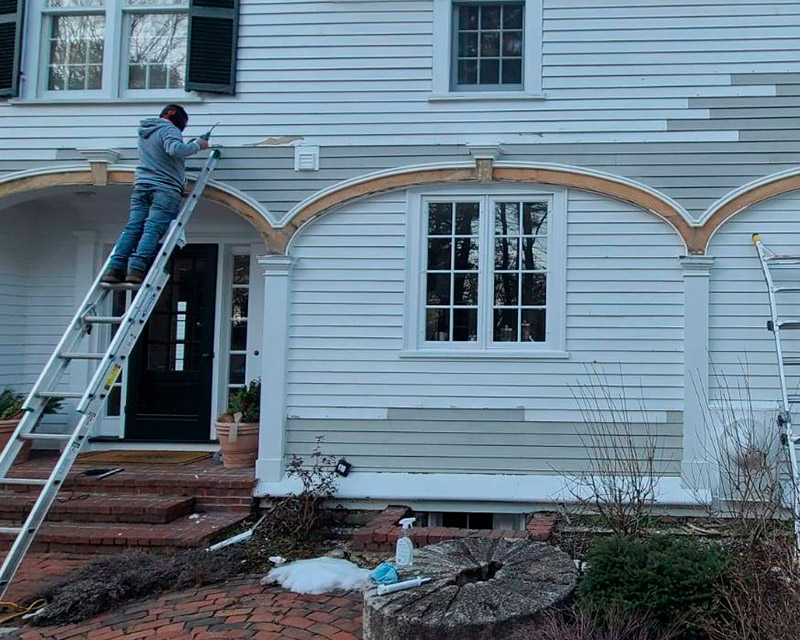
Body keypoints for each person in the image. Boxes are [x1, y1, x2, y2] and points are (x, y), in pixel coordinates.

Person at [102, 104, 209, 285]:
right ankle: (136, 268)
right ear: (171, 113)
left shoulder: (147, 131)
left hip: (142, 186)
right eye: (183, 123)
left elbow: (166, 151)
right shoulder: (169, 128)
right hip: (164, 188)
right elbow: (174, 149)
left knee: (133, 228)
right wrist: (198, 145)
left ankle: (115, 268)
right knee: (152, 228)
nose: (181, 127)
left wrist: (187, 145)